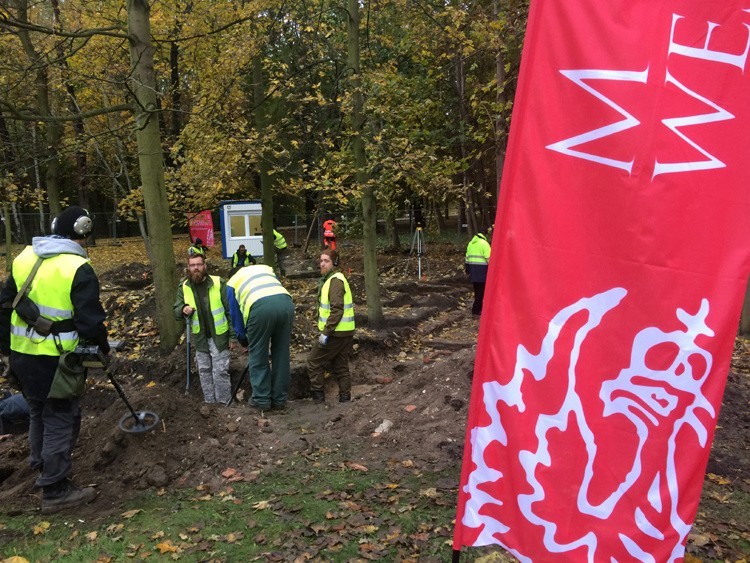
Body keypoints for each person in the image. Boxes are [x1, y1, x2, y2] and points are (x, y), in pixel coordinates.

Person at [0, 206, 109, 513]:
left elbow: (5, 303)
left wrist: (6, 349)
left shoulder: (24, 257)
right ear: (83, 232)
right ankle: (56, 489)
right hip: (57, 361)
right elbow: (90, 322)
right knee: (61, 417)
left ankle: (42, 468)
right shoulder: (78, 268)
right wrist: (102, 350)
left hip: (22, 355)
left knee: (37, 411)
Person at [227, 264, 294, 411]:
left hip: (260, 309)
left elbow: (235, 315)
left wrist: (243, 339)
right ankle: (279, 399)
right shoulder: (265, 269)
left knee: (258, 355)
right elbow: (275, 292)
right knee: (281, 354)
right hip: (286, 304)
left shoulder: (232, 283)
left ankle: (262, 399)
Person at [174, 253, 237, 403]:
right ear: (188, 268)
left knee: (220, 371)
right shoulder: (183, 287)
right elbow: (176, 309)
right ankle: (210, 404)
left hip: (219, 337)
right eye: (192, 265)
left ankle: (224, 403)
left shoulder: (218, 283)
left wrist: (233, 336)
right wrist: (183, 308)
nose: (196, 268)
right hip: (200, 339)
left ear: (205, 266)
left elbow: (230, 312)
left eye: (199, 264)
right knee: (204, 372)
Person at [306, 248, 355, 403]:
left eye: (326, 261)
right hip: (344, 332)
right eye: (321, 261)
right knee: (340, 365)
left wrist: (326, 332)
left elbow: (337, 309)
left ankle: (318, 397)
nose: (322, 264)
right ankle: (345, 398)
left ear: (334, 262)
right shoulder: (333, 279)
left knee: (313, 361)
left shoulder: (335, 281)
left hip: (335, 333)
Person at [465, 229, 492, 316]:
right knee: (481, 292)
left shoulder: (470, 244)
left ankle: (478, 308)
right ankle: (476, 309)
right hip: (482, 271)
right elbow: (489, 259)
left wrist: (467, 270)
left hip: (473, 271)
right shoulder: (484, 244)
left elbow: (467, 258)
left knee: (477, 291)